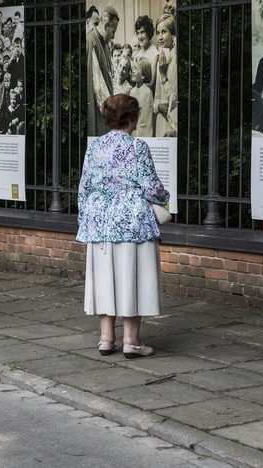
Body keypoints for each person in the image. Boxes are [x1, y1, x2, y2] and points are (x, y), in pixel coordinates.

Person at [76, 93, 169, 359]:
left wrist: (86, 220)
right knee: (132, 278)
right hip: (132, 222)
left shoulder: (95, 147)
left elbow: (85, 188)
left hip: (99, 223)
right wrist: (165, 198)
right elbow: (151, 188)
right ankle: (132, 342)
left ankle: (106, 340)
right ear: (133, 118)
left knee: (104, 279)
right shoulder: (137, 148)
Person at [87, 6, 119, 136]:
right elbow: (97, 83)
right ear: (106, 25)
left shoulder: (106, 45)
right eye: (113, 31)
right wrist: (110, 112)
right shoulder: (91, 41)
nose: (113, 36)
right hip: (99, 108)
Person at [153, 3, 178, 137]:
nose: (160, 37)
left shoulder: (175, 61)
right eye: (158, 33)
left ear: (172, 35)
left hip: (173, 123)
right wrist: (158, 106)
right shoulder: (160, 60)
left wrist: (163, 75)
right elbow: (156, 98)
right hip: (160, 121)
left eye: (164, 32)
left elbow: (174, 101)